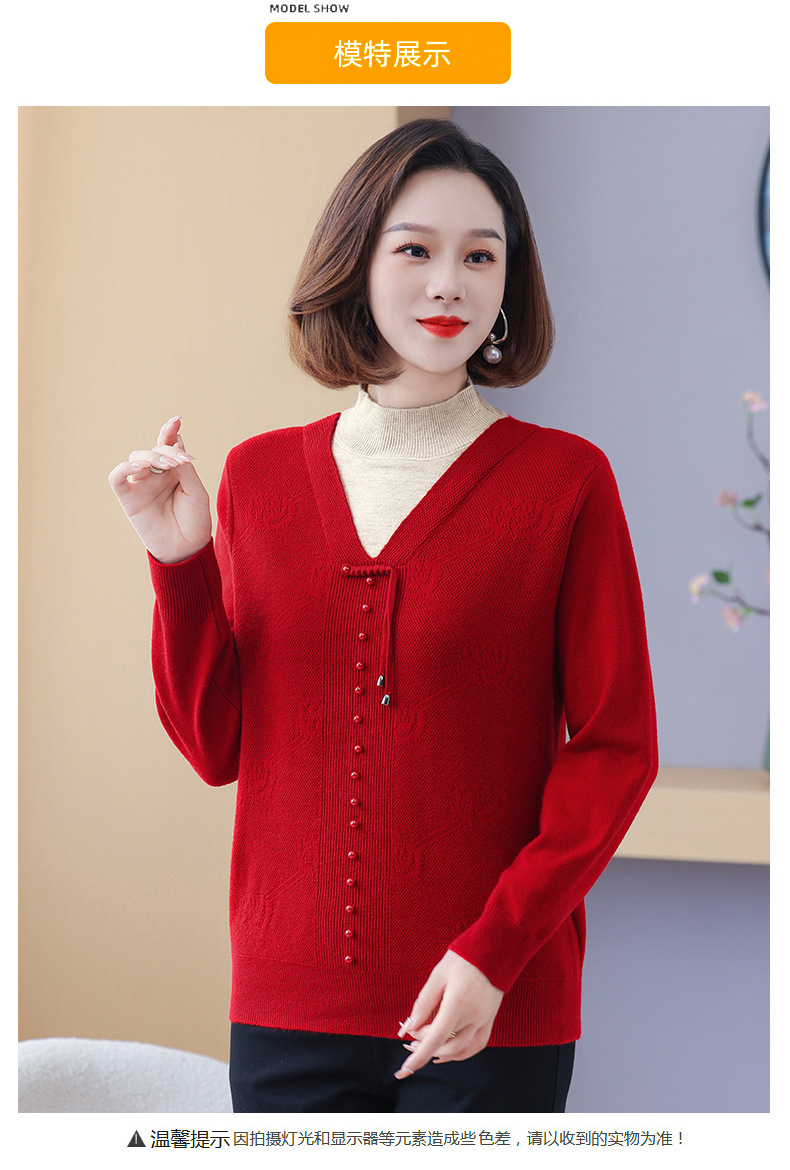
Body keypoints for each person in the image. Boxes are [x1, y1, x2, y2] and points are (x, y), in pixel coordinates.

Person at [108, 119, 658, 1113]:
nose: (448, 284)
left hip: (490, 1009)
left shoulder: (566, 482)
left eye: (480, 256)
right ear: (356, 263)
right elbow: (216, 747)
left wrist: (494, 954)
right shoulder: (261, 478)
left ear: (508, 283)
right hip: (287, 1006)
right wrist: (177, 562)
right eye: (414, 250)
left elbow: (617, 747)